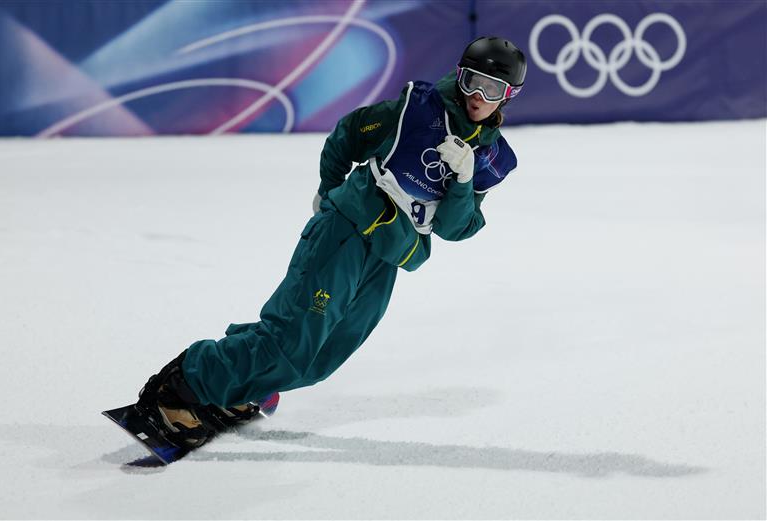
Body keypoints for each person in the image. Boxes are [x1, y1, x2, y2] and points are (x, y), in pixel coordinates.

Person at [135, 36, 527, 449]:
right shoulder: (415, 111)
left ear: (509, 96)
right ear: (460, 76)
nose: (478, 97)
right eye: (472, 82)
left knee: (323, 357)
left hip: (390, 254)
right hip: (347, 231)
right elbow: (350, 133)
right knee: (292, 339)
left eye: (493, 90)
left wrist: (463, 182)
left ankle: (235, 386)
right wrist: (329, 192)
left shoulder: (490, 159)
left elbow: (456, 227)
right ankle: (179, 389)